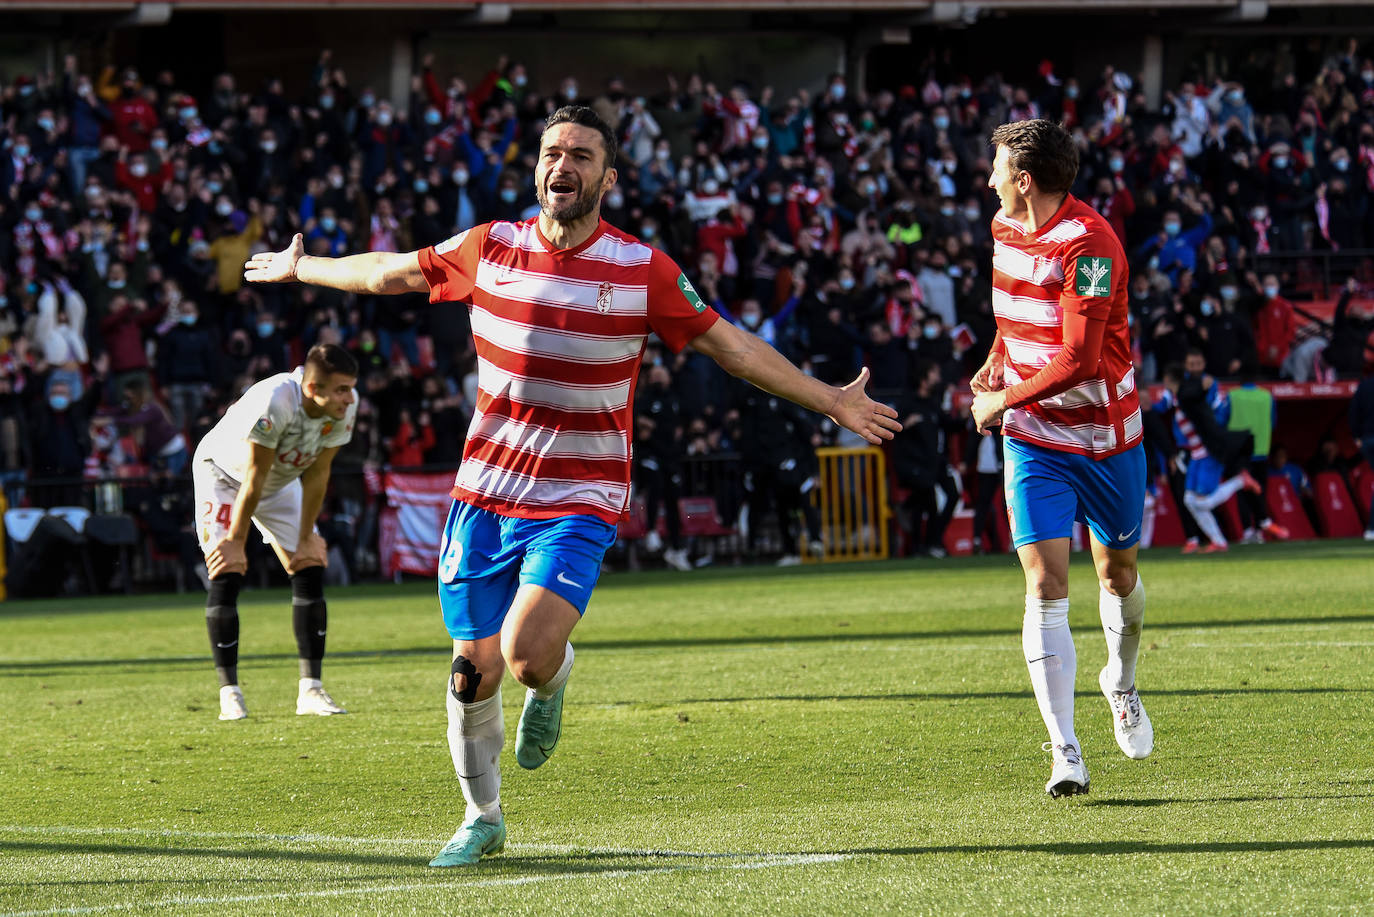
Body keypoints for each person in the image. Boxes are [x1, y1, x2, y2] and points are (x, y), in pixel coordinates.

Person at [244, 105, 899, 867]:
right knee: (470, 669)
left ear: (608, 177)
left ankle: (551, 683)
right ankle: (481, 816)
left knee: (525, 652)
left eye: (583, 155)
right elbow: (388, 272)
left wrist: (830, 399)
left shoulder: (641, 268)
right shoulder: (490, 247)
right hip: (484, 491)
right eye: (555, 151)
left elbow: (734, 349)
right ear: (537, 169)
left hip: (580, 495)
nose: (565, 164)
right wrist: (303, 267)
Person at [970, 119, 1152, 799]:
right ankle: (1066, 751)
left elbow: (1078, 359)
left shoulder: (1092, 246)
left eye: (996, 169)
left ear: (1024, 180)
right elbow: (1011, 316)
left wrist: (997, 400)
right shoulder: (1001, 228)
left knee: (1119, 574)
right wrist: (994, 366)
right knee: (1045, 585)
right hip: (1036, 438)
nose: (988, 179)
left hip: (1106, 436)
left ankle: (1122, 681)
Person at [191, 343, 359, 722]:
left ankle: (311, 691)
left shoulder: (342, 406)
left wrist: (304, 536)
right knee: (226, 569)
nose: (349, 398)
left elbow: (318, 473)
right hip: (224, 474)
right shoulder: (275, 400)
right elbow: (253, 476)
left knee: (309, 561)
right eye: (341, 390)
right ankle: (229, 693)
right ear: (312, 388)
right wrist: (235, 540)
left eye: (350, 388)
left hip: (277, 480)